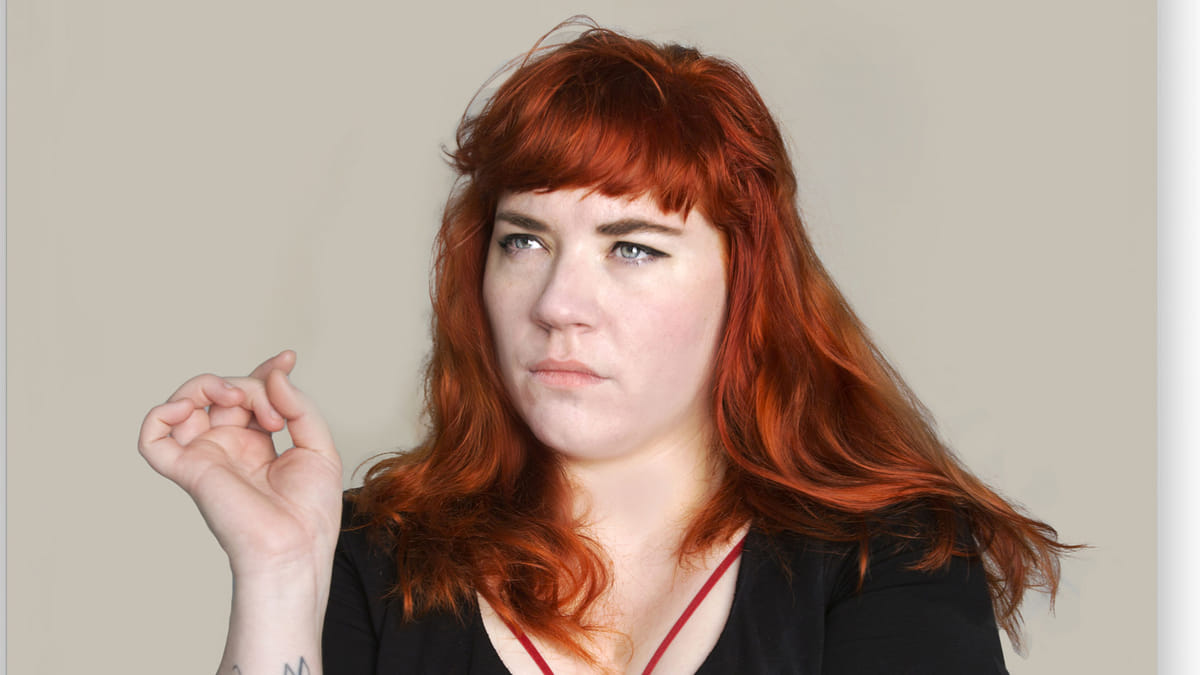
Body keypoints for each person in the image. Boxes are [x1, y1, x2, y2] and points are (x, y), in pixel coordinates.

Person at [138, 20, 1073, 675]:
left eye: (632, 248)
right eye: (524, 241)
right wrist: (280, 574)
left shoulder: (888, 561)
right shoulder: (372, 562)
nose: (557, 304)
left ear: (745, 284)